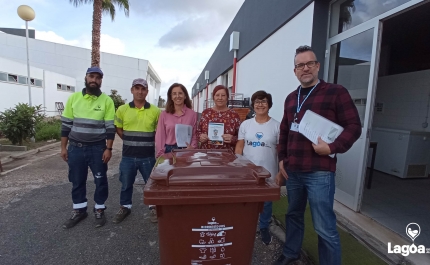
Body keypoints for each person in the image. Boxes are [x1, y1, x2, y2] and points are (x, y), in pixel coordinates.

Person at [273, 46, 361, 265]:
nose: (305, 68)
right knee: (293, 215)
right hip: (293, 170)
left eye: (309, 63)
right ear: (295, 71)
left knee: (324, 225)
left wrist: (332, 148)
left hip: (319, 171)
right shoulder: (291, 98)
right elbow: (285, 130)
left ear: (318, 66)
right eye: (300, 65)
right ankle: (291, 252)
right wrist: (282, 158)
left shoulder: (335, 92)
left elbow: (354, 126)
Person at [60, 67, 115, 229]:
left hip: (98, 148)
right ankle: (79, 210)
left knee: (100, 180)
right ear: (86, 77)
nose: (94, 80)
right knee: (77, 180)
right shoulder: (74, 98)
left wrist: (108, 149)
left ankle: (99, 208)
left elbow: (110, 128)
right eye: (91, 76)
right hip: (75, 148)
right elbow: (66, 126)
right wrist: (63, 147)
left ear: (101, 81)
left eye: (98, 78)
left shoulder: (107, 101)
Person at [112, 78, 160, 224]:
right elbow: (118, 129)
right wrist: (130, 141)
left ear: (147, 91)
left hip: (148, 157)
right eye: (137, 88)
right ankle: (125, 206)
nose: (140, 91)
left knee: (151, 184)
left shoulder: (156, 111)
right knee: (126, 183)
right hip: (128, 156)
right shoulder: (122, 109)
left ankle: (154, 207)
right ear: (132, 90)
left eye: (143, 89)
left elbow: (158, 132)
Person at [235, 90, 280, 245]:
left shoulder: (276, 126)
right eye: (257, 102)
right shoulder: (246, 124)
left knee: (266, 202)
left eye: (264, 101)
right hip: (248, 172)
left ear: (269, 105)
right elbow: (240, 146)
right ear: (253, 105)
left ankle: (263, 226)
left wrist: (281, 171)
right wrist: (238, 166)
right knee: (248, 201)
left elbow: (281, 151)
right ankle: (246, 226)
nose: (260, 105)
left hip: (269, 172)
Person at [155, 83, 198, 158]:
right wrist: (161, 154)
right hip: (169, 151)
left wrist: (192, 148)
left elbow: (194, 134)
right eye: (174, 94)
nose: (177, 96)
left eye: (180, 93)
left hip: (186, 150)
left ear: (185, 96)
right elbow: (160, 136)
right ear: (171, 97)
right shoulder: (164, 114)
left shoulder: (192, 114)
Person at [197, 85, 241, 151]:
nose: (220, 98)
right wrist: (201, 136)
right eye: (217, 95)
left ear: (227, 97)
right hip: (207, 154)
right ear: (213, 97)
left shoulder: (234, 115)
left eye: (223, 95)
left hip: (227, 155)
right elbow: (198, 132)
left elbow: (241, 137)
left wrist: (233, 139)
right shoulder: (206, 113)